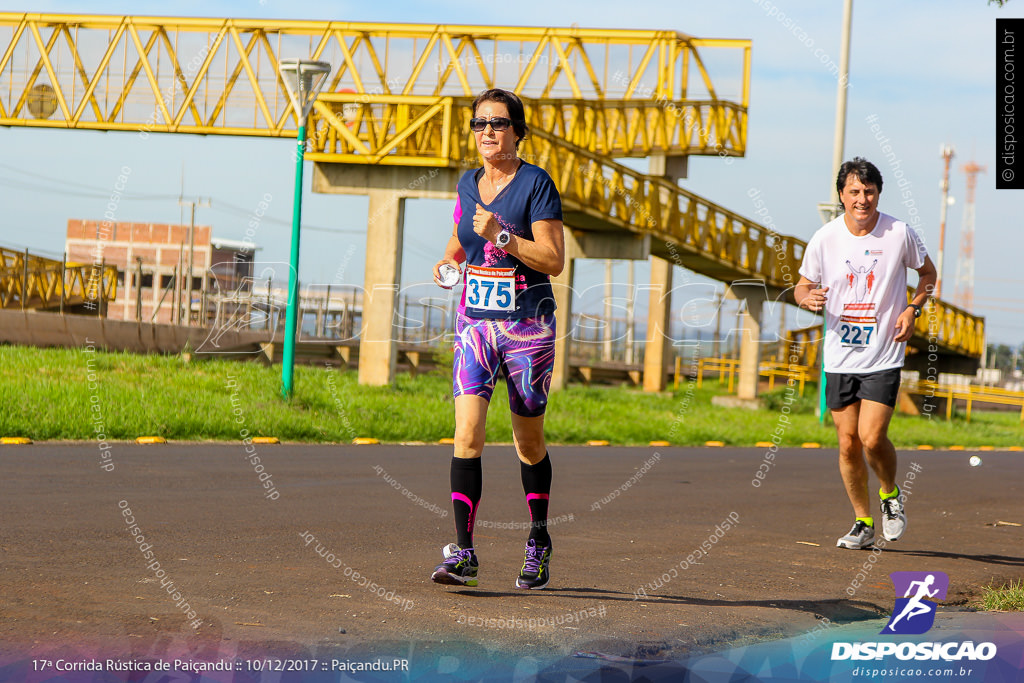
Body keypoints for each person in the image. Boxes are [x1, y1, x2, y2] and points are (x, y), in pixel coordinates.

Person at [430, 88, 565, 589]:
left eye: (498, 123)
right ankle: (464, 553)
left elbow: (553, 260)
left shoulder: (536, 184)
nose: (488, 131)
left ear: (517, 130)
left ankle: (538, 540)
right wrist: (449, 263)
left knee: (527, 442)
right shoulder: (468, 184)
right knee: (467, 435)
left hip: (527, 326)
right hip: (475, 324)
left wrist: (503, 237)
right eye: (479, 123)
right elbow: (460, 242)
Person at [795, 157, 936, 550]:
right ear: (841, 195)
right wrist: (808, 298)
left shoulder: (899, 233)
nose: (862, 199)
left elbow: (928, 275)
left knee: (872, 438)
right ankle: (862, 522)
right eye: (854, 191)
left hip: (884, 352)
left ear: (878, 194)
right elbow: (802, 286)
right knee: (847, 443)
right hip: (840, 355)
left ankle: (890, 496)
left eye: (869, 191)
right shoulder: (825, 238)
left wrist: (912, 308)